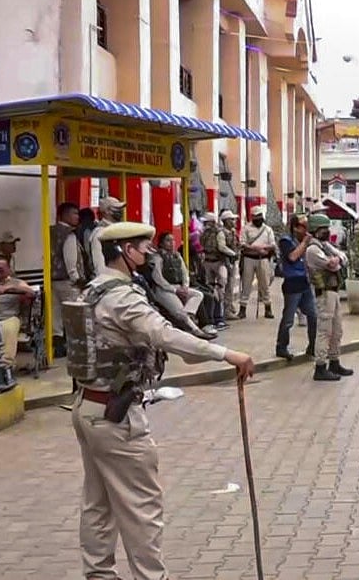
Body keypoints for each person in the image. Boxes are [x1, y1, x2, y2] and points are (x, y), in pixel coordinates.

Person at [68, 220, 255, 580]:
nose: (148, 253)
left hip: (89, 406)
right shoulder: (122, 296)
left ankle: (99, 574)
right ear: (125, 251)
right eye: (142, 247)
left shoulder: (94, 288)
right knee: (141, 506)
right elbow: (164, 334)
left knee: (98, 501)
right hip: (116, 416)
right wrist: (226, 354)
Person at [305, 214, 353, 381]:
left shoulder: (325, 246)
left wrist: (337, 259)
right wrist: (336, 260)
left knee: (337, 330)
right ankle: (320, 366)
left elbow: (342, 259)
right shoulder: (313, 249)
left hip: (333, 291)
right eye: (324, 229)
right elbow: (332, 265)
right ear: (316, 230)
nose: (327, 231)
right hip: (324, 293)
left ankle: (334, 361)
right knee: (325, 331)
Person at [148, 233, 214, 339]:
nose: (171, 243)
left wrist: (185, 286)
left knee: (198, 295)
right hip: (164, 290)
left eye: (173, 240)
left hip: (178, 287)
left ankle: (189, 316)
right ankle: (196, 330)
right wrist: (175, 290)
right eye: (168, 240)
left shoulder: (177, 255)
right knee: (179, 310)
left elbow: (184, 273)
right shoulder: (157, 257)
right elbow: (158, 279)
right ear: (161, 243)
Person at [275, 213, 317, 360]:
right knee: (288, 319)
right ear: (295, 227)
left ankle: (313, 346)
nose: (306, 230)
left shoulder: (303, 241)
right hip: (292, 283)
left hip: (304, 282)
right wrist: (305, 243)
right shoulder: (286, 241)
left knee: (313, 315)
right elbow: (292, 257)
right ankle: (281, 346)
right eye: (303, 227)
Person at [50, 202, 84, 358]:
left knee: (55, 317)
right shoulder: (69, 234)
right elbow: (71, 260)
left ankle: (57, 346)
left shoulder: (50, 231)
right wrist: (77, 279)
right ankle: (74, 347)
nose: (77, 217)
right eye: (74, 213)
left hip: (52, 279)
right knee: (74, 314)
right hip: (66, 280)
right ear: (63, 215)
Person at [239, 205, 277, 319]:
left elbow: (273, 244)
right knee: (246, 284)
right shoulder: (246, 228)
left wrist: (263, 248)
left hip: (263, 259)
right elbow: (242, 243)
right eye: (255, 217)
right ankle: (242, 309)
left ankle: (268, 308)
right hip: (249, 258)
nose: (258, 219)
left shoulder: (267, 229)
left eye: (259, 216)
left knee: (264, 284)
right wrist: (254, 248)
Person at [199, 213, 235, 330]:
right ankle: (217, 318)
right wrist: (233, 254)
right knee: (214, 290)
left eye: (207, 222)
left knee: (219, 290)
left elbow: (220, 247)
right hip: (213, 263)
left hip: (217, 263)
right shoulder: (207, 233)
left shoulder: (215, 233)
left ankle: (218, 317)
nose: (205, 224)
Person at [87, 196, 125, 278]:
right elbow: (98, 264)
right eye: (116, 208)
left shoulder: (118, 229)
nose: (120, 211)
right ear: (106, 211)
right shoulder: (100, 232)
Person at [219, 211, 242, 321]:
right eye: (232, 219)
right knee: (227, 286)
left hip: (232, 262)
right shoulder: (222, 233)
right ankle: (226, 310)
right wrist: (233, 253)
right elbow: (222, 247)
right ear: (226, 221)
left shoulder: (232, 232)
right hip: (224, 263)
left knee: (230, 286)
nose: (234, 221)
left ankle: (229, 306)